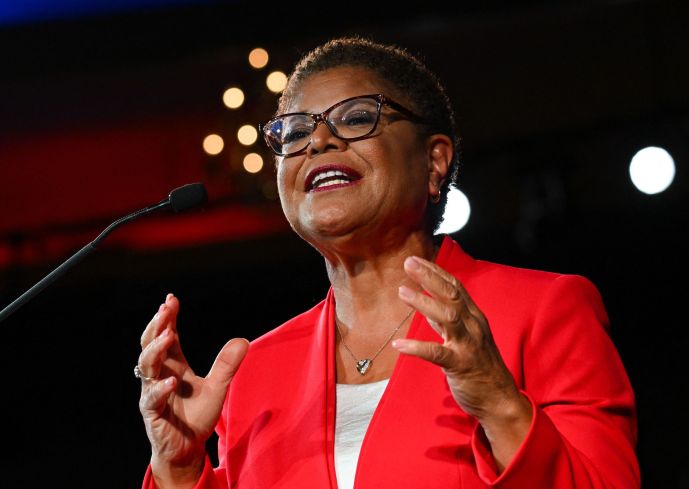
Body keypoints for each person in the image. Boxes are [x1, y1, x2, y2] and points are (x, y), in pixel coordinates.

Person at [137, 37, 639, 489]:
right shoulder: (253, 375)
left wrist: (501, 405)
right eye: (293, 132)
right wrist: (178, 470)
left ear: (435, 161)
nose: (318, 142)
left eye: (356, 118)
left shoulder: (542, 310)